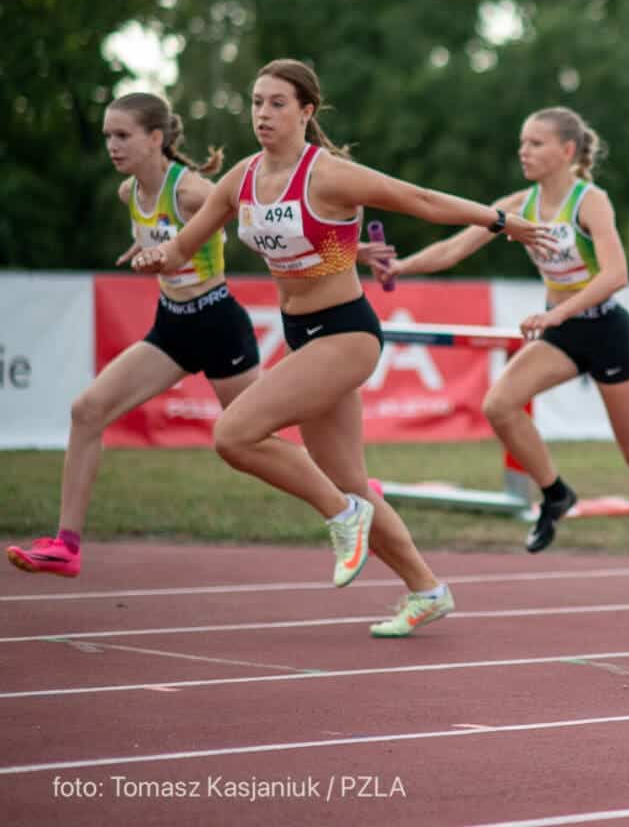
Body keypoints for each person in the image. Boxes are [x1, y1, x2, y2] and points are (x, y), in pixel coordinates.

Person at [131, 58, 545, 636]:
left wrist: (500, 220)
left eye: (277, 103)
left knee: (234, 434)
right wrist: (159, 255)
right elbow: (183, 248)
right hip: (302, 333)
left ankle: (342, 515)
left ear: (306, 111)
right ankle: (426, 589)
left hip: (346, 333)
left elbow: (422, 199)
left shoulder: (328, 176)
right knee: (348, 477)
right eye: (256, 102)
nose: (262, 114)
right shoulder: (242, 178)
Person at [383, 107, 629, 597]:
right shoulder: (517, 206)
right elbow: (452, 249)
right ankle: (556, 494)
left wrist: (559, 313)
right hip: (562, 333)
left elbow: (616, 274)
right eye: (522, 142)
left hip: (606, 330)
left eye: (536, 143)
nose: (524, 151)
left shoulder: (590, 202)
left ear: (567, 151)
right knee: (499, 405)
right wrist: (400, 267)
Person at [7, 94, 261, 579]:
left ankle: (352, 494)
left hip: (218, 326)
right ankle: (66, 546)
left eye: (122, 135)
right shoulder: (129, 192)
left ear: (155, 138)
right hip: (172, 327)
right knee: (87, 410)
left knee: (255, 441)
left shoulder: (192, 192)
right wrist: (142, 245)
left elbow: (252, 218)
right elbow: (157, 230)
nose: (112, 145)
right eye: (108, 135)